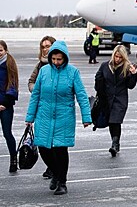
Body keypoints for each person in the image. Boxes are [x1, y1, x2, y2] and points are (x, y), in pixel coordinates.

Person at [25, 40, 92, 195]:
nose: (56, 62)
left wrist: (86, 117)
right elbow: (35, 95)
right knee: (43, 149)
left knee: (60, 150)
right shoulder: (44, 71)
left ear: (65, 58)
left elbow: (81, 95)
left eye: (59, 59)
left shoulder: (73, 72)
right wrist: (30, 116)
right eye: (53, 59)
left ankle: (62, 182)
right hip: (44, 115)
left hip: (64, 117)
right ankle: (55, 173)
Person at [95, 45, 137, 157]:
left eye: (120, 57)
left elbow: (131, 85)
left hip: (120, 99)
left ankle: (115, 144)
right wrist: (99, 89)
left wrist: (133, 74)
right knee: (110, 122)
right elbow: (98, 80)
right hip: (107, 99)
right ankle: (115, 142)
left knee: (116, 121)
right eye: (116, 56)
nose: (117, 59)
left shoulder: (127, 67)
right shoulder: (105, 66)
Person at [27, 35, 56, 178]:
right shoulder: (40, 65)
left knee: (56, 143)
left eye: (48, 46)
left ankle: (55, 170)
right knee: (42, 141)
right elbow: (31, 82)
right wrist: (36, 89)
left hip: (57, 109)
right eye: (43, 47)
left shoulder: (60, 65)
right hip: (41, 107)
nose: (45, 49)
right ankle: (51, 166)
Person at [0, 41, 19, 173]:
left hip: (5, 106)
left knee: (7, 133)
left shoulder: (9, 65)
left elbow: (13, 87)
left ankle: (13, 158)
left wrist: (4, 104)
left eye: (0, 50)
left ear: (5, 50)